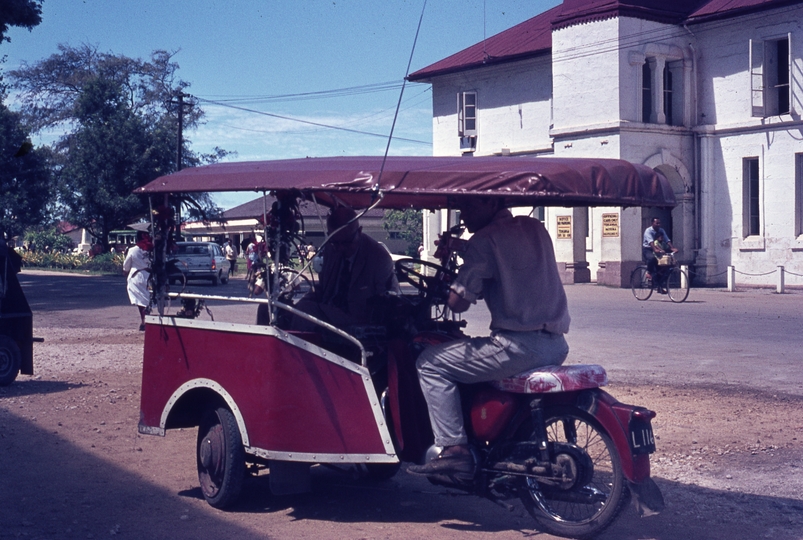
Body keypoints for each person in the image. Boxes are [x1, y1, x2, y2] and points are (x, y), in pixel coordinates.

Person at [407, 197, 571, 478]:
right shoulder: (535, 228)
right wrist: (465, 251)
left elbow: (458, 303)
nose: (464, 212)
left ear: (493, 203)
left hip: (517, 347)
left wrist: (453, 280)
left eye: (470, 206)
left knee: (429, 363)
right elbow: (510, 267)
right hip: (555, 344)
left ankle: (454, 449)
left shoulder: (484, 240)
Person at [290, 206, 399, 329]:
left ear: (359, 231)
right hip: (329, 312)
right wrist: (296, 307)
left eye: (346, 242)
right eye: (335, 242)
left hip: (359, 322)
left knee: (307, 310)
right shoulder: (331, 249)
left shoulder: (378, 257)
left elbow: (389, 300)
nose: (340, 248)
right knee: (288, 311)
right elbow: (323, 288)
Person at [122, 231, 153, 331]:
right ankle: (147, 319)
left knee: (140, 300)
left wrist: (125, 272)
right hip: (150, 276)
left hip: (137, 276)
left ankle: (144, 320)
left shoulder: (133, 250)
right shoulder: (152, 250)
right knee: (148, 299)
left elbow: (126, 265)